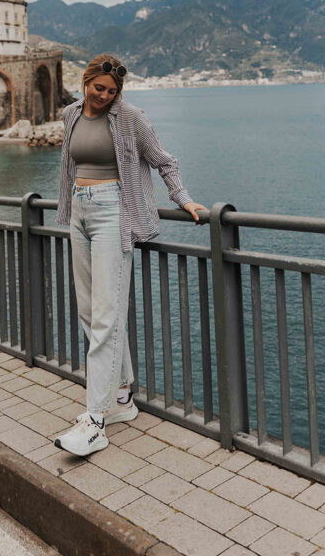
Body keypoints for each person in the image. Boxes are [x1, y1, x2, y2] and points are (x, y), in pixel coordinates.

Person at [54, 53, 205, 457]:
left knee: (106, 316)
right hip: (79, 214)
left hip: (113, 214)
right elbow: (70, 168)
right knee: (89, 312)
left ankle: (95, 421)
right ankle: (121, 399)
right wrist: (70, 210)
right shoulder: (70, 114)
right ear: (86, 83)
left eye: (112, 91)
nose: (104, 96)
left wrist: (184, 199)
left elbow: (163, 160)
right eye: (98, 88)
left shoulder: (130, 117)